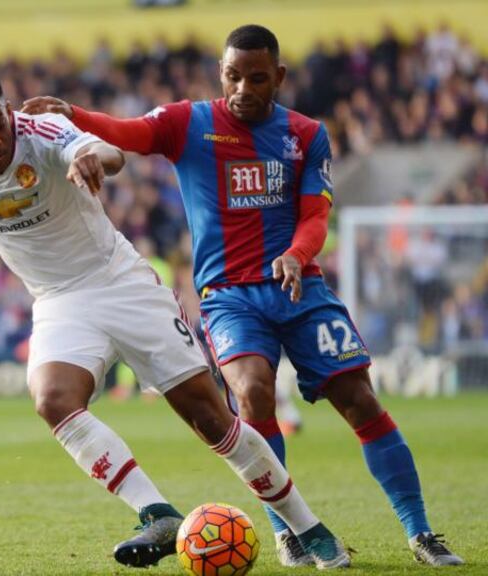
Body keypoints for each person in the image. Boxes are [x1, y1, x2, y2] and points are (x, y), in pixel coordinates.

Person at [0, 68, 349, 570]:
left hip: (121, 282)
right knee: (52, 398)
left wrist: (87, 156)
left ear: (8, 111)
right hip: (58, 300)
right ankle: (156, 513)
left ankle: (307, 528)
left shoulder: (43, 134)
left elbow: (109, 153)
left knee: (210, 420)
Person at [23, 23, 462, 568]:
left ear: (277, 76)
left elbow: (316, 216)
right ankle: (289, 532)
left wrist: (297, 256)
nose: (243, 88)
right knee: (253, 393)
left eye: (257, 78)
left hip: (301, 289)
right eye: (233, 76)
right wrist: (73, 115)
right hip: (229, 296)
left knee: (361, 400)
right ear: (221, 72)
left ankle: (421, 533)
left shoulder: (305, 133)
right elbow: (129, 132)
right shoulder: (190, 123)